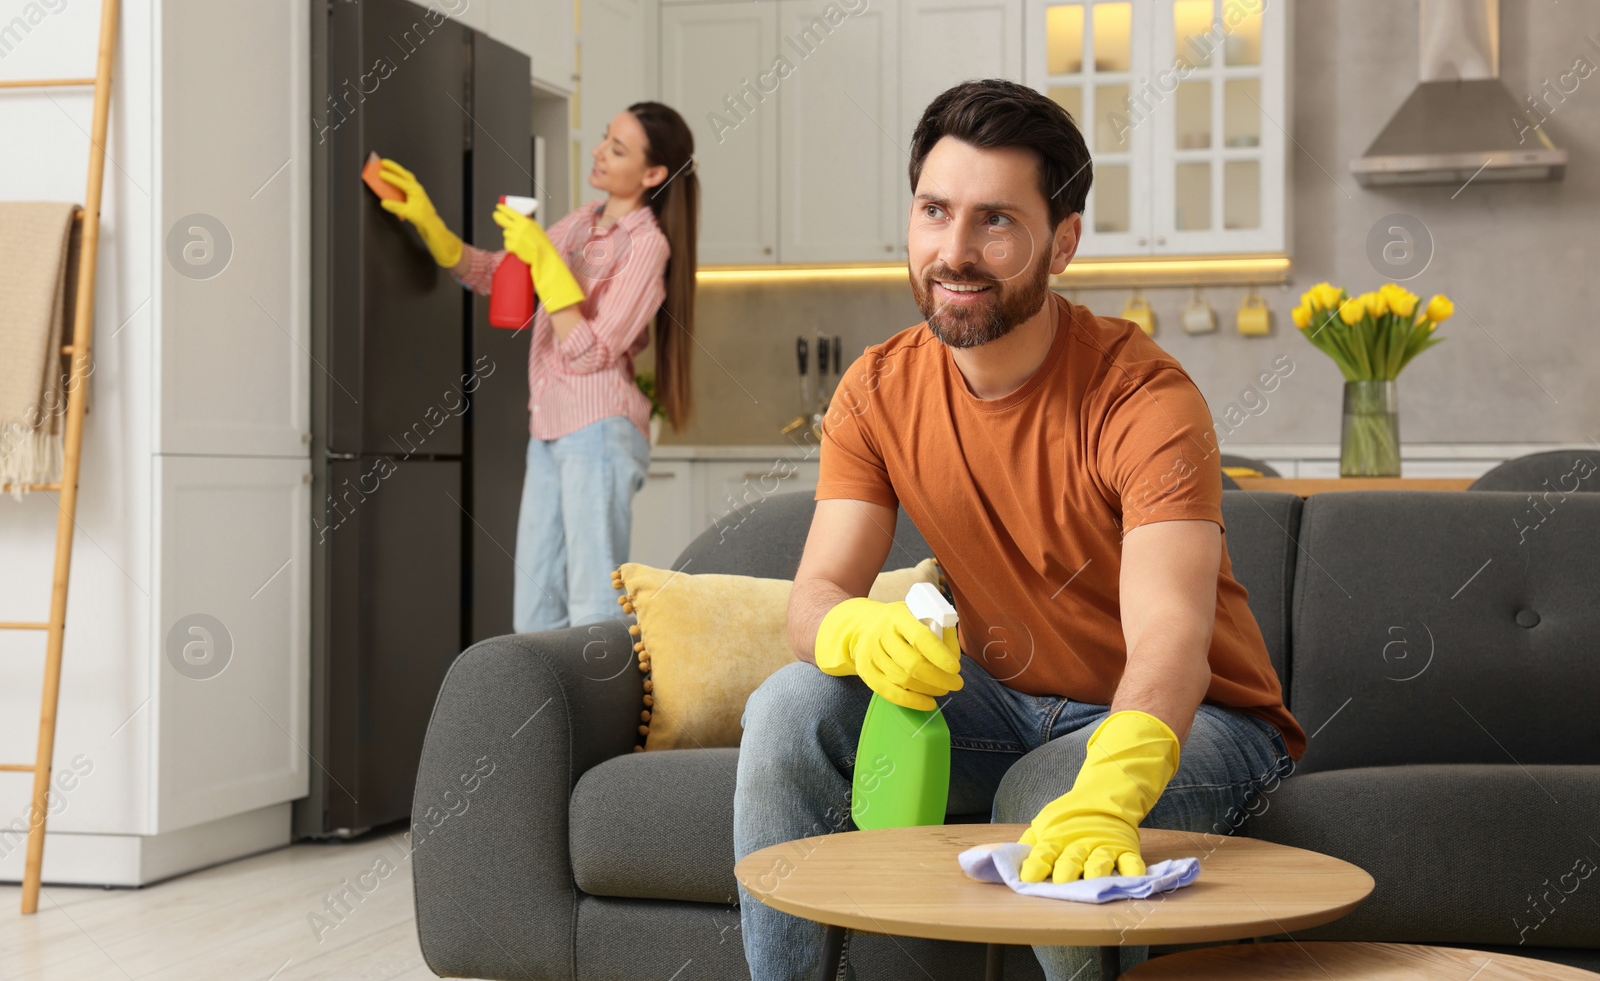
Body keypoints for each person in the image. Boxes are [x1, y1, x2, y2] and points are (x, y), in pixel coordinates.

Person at [733, 79, 1305, 981]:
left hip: (1198, 719)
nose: (953, 251)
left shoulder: (1143, 397)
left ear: (1062, 242)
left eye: (995, 220)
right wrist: (858, 628)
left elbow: (1173, 640)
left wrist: (1114, 783)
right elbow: (813, 601)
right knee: (788, 708)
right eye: (933, 211)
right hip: (1002, 700)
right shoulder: (877, 389)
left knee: (1042, 794)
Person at [376, 102, 698, 633]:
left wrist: (546, 262)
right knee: (535, 615)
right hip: (548, 427)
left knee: (594, 608)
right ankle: (546, 718)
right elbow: (496, 276)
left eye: (617, 149)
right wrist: (429, 223)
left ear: (653, 174)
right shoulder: (579, 223)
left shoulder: (646, 247)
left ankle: (600, 718)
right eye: (604, 139)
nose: (599, 152)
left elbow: (591, 351)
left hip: (597, 431)